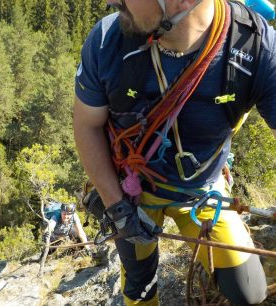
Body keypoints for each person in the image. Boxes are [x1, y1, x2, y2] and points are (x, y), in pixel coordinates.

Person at [73, 0, 276, 305]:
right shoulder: (108, 40)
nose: (112, 1)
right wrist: (117, 207)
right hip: (132, 191)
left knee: (249, 292)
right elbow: (87, 125)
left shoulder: (254, 45)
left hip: (201, 190)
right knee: (139, 287)